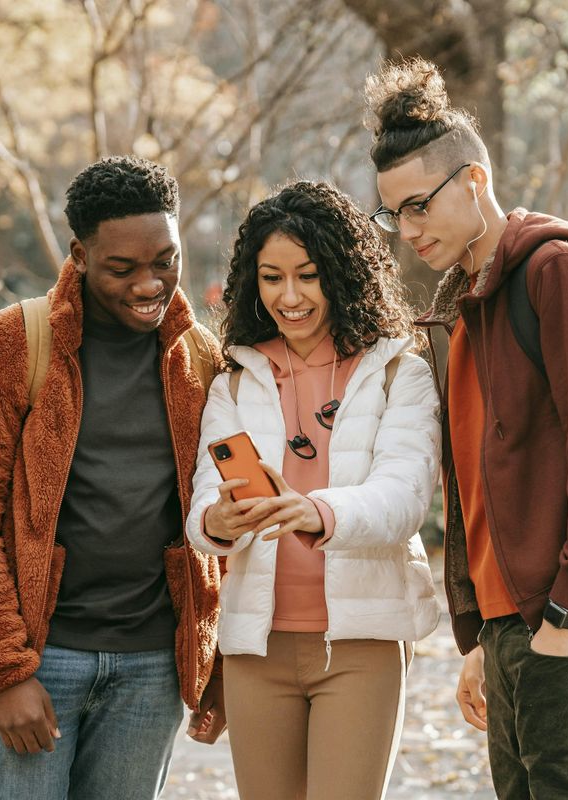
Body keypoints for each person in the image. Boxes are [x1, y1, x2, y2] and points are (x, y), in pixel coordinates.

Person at [363, 58, 568, 799]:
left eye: (419, 206)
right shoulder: (462, 304)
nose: (407, 231)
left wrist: (567, 610)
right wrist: (482, 635)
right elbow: (476, 482)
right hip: (511, 625)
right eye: (394, 214)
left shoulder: (555, 273)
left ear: (474, 180)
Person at [0, 156, 226, 800]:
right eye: (122, 268)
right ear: (80, 255)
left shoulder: (202, 359)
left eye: (166, 261)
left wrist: (213, 660)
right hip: (39, 658)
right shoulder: (4, 348)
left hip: (151, 667)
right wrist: (3, 672)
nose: (149, 284)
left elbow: (221, 515)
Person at [186, 180, 442, 800]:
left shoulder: (397, 373)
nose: (290, 296)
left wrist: (314, 510)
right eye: (272, 277)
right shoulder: (234, 382)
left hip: (361, 644)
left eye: (308, 275)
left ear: (342, 273)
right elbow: (202, 507)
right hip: (255, 648)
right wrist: (218, 522)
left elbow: (405, 497)